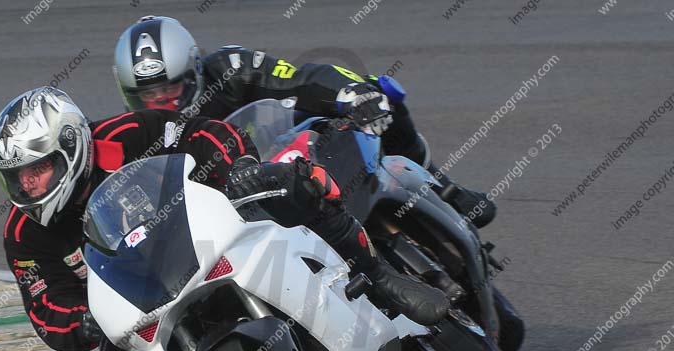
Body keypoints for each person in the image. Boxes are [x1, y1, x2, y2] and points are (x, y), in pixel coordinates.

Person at [0, 86, 449, 351]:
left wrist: (238, 171)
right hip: (137, 296)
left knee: (294, 183)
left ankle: (380, 276)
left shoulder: (134, 132)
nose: (28, 185)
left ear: (72, 145)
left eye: (38, 168)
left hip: (210, 232)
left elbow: (209, 133)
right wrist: (80, 321)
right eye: (18, 176)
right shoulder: (23, 233)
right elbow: (45, 304)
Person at [112, 15, 496, 229]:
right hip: (247, 213)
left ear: (194, 70)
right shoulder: (140, 139)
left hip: (302, 150)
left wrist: (352, 95)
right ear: (132, 96)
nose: (165, 100)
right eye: (151, 95)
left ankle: (444, 188)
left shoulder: (231, 67)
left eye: (174, 86)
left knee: (379, 92)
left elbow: (300, 76)